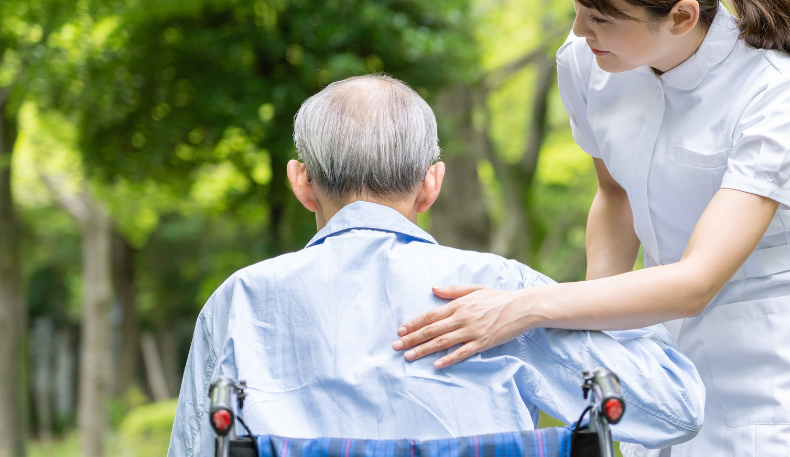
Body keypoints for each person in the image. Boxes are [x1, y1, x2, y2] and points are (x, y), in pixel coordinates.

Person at [392, 0, 790, 456]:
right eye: (578, 9)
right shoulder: (588, 64)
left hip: (771, 370)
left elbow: (695, 282)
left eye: (603, 18)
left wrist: (526, 308)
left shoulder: (775, 93)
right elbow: (613, 195)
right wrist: (594, 342)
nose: (582, 32)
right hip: (653, 353)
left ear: (682, 16)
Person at [166, 74, 705, 457]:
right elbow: (674, 407)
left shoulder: (239, 302)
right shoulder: (499, 295)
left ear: (301, 182)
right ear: (432, 183)